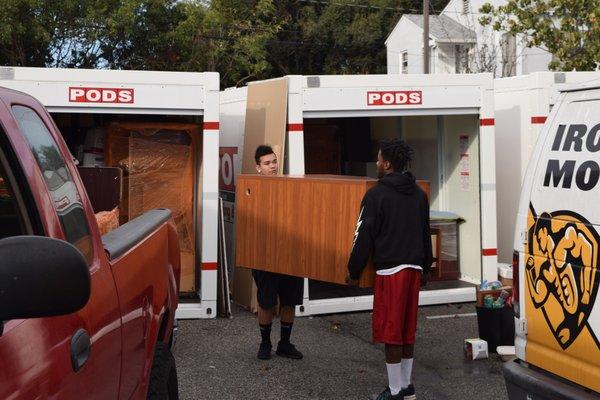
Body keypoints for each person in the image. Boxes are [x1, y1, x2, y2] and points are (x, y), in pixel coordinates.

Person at [346, 139, 432, 400]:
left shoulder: (375, 195)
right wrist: (426, 267)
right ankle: (406, 387)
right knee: (407, 329)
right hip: (414, 269)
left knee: (391, 332)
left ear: (388, 163)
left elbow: (363, 236)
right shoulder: (419, 194)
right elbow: (424, 233)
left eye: (380, 159)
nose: (377, 163)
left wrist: (353, 269)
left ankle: (395, 391)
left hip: (391, 272)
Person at [252, 145, 304, 360]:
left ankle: (285, 343)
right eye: (267, 163)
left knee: (290, 301)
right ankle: (265, 344)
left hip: (290, 254)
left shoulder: (290, 186)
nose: (272, 166)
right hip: (264, 256)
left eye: (274, 161)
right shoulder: (252, 189)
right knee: (266, 302)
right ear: (258, 167)